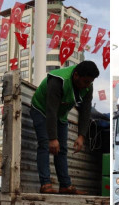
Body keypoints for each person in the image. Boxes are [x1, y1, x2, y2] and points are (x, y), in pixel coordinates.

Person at [31, 60, 99, 194]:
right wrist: (52, 138)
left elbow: (86, 110)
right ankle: (45, 184)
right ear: (76, 76)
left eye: (90, 82)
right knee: (45, 144)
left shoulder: (87, 86)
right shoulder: (58, 81)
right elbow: (51, 110)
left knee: (62, 149)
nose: (87, 85)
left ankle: (65, 185)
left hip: (60, 114)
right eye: (85, 82)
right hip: (41, 109)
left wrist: (81, 136)